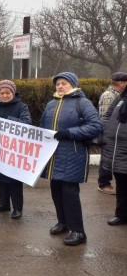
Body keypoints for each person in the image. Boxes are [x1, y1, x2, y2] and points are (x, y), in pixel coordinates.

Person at [40, 72, 101, 246]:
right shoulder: (51, 104)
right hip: (53, 156)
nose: (60, 86)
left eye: (64, 83)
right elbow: (42, 128)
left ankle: (78, 231)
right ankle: (63, 222)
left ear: (73, 85)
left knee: (69, 193)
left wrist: (69, 133)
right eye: (58, 83)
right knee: (56, 190)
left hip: (73, 154)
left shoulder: (83, 103)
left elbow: (95, 126)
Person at [0, 80, 32, 219]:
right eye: (2, 93)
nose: (5, 95)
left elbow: (27, 124)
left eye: (8, 93)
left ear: (13, 93)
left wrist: (8, 119)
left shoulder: (21, 107)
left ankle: (17, 207)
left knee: (14, 179)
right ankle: (4, 204)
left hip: (14, 150)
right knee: (0, 178)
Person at [100, 76, 127, 226]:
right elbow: (107, 115)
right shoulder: (121, 98)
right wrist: (105, 131)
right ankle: (121, 215)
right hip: (116, 149)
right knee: (122, 185)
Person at [97, 72, 127, 195]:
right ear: (121, 83)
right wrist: (105, 134)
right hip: (109, 136)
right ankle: (104, 183)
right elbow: (105, 116)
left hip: (114, 138)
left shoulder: (118, 95)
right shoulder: (109, 96)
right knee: (106, 160)